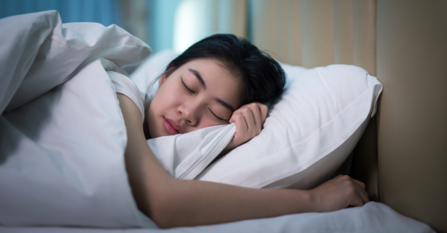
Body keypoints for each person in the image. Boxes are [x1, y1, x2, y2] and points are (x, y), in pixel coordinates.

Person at [116, 34, 369, 228]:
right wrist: (316, 201)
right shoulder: (122, 94)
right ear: (167, 74)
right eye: (189, 87)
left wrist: (223, 142)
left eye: (216, 113)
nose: (189, 113)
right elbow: (162, 204)